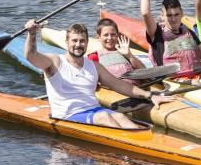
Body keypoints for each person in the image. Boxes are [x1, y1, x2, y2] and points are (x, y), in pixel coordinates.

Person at [24, 20, 171, 128]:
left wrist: (151, 96)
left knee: (122, 118)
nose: (78, 44)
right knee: (105, 117)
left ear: (87, 43)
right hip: (67, 115)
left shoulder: (94, 66)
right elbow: (31, 56)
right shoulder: (54, 62)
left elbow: (120, 85)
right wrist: (31, 34)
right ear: (67, 42)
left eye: (82, 41)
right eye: (74, 41)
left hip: (94, 110)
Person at [86, 18, 145, 83]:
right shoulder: (94, 57)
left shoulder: (125, 52)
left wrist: (129, 55)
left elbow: (144, 71)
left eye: (113, 34)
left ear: (117, 35)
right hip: (114, 91)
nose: (110, 38)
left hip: (137, 88)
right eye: (106, 35)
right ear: (98, 37)